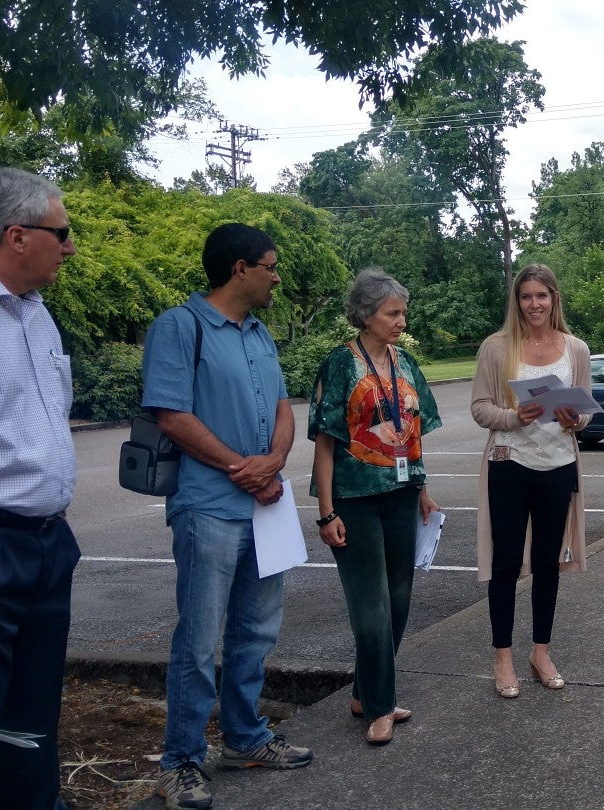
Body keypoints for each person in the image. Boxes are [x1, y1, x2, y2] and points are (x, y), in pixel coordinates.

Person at [143, 223, 312, 810]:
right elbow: (171, 415)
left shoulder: (262, 334)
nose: (276, 276)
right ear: (239, 268)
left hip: (264, 506)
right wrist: (245, 467)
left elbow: (284, 409)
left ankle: (244, 737)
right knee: (197, 640)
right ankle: (182, 762)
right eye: (270, 265)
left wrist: (273, 462)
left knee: (256, 633)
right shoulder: (179, 327)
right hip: (208, 509)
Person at [0, 166, 81, 810]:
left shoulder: (35, 313)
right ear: (16, 235)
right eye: (61, 233)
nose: (69, 246)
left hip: (44, 545)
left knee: (28, 719)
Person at [309, 269, 441, 746]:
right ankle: (381, 707)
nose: (401, 320)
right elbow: (325, 442)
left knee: (400, 601)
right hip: (356, 499)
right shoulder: (340, 363)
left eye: (403, 312)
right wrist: (326, 512)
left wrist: (423, 489)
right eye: (392, 313)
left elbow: (415, 432)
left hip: (403, 495)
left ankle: (365, 691)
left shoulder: (404, 363)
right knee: (371, 604)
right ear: (366, 315)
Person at [470, 264, 592, 698]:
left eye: (542, 295)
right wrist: (512, 416)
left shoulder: (575, 348)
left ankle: (540, 651)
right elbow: (480, 407)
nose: (535, 304)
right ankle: (502, 657)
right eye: (526, 297)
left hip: (557, 466)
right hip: (509, 463)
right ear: (517, 301)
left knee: (547, 563)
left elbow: (585, 413)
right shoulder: (497, 347)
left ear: (555, 298)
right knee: (505, 565)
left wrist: (574, 418)